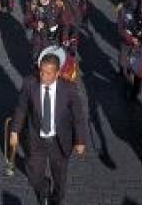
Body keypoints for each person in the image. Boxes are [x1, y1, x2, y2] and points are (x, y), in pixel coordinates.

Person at [8, 52, 88, 205]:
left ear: (57, 73)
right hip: (36, 139)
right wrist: (14, 131)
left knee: (60, 180)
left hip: (59, 142)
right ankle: (44, 188)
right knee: (34, 175)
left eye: (48, 73)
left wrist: (80, 141)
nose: (43, 76)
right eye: (41, 71)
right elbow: (21, 109)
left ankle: (56, 200)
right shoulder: (29, 84)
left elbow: (78, 117)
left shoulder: (69, 89)